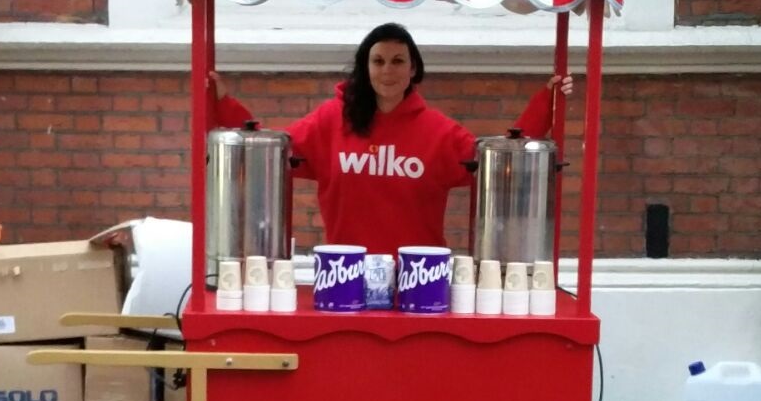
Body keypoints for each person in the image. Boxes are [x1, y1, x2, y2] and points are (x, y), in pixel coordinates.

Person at [208, 22, 572, 255]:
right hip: (345, 273)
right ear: (365, 69)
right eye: (378, 61)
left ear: (414, 69)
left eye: (398, 61)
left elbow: (503, 160)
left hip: (420, 278)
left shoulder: (439, 132)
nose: (387, 70)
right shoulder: (330, 121)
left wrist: (548, 103)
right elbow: (267, 150)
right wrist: (222, 103)